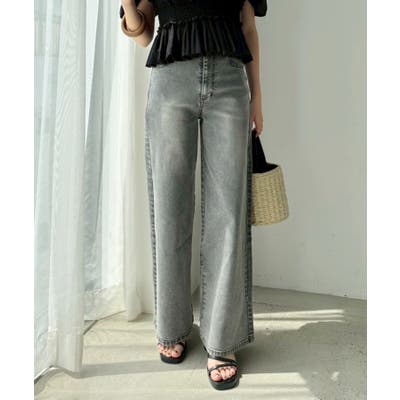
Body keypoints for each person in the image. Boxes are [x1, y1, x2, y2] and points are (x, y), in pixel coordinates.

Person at [120, 0, 267, 390]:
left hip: (230, 81)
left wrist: (257, 96)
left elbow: (248, 27)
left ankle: (221, 341)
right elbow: (142, 34)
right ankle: (171, 327)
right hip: (171, 83)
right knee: (170, 212)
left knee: (228, 216)